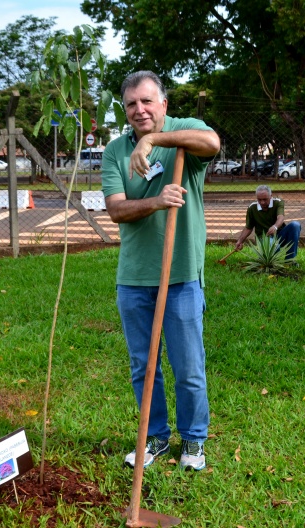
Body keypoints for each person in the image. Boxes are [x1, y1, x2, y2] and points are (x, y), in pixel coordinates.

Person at [101, 70, 220, 471]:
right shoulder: (116, 152)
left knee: (188, 365)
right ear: (125, 108)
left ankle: (193, 441)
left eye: (147, 101)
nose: (140, 110)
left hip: (182, 275)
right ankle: (154, 437)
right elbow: (116, 209)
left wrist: (154, 140)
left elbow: (212, 142)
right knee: (144, 366)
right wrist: (156, 201)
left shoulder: (184, 131)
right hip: (134, 279)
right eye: (132, 103)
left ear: (163, 104)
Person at [234, 185, 301, 261]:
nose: (262, 202)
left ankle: (290, 260)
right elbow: (248, 227)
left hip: (279, 235)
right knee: (274, 247)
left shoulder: (278, 203)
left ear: (271, 196)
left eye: (265, 199)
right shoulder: (252, 208)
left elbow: (281, 217)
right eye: (259, 200)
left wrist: (275, 226)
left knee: (295, 225)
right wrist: (240, 241)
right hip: (264, 238)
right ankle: (268, 260)